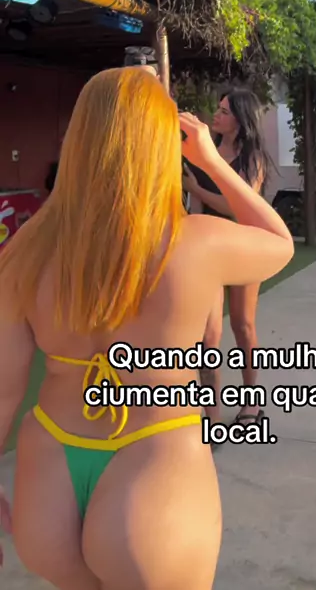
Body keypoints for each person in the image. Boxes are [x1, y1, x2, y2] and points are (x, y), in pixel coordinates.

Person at [0, 68, 293, 590]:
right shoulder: (196, 242)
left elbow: (3, 387)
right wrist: (210, 162)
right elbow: (279, 242)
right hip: (155, 459)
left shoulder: (27, 247)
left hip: (49, 468)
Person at [182, 88, 272, 427]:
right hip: (210, 250)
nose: (216, 116)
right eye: (217, 109)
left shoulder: (253, 158)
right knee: (208, 338)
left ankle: (252, 402)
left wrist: (196, 189)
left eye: (224, 111)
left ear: (240, 119)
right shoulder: (204, 152)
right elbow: (198, 210)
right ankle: (212, 417)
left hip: (245, 246)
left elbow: (240, 207)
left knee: (243, 325)